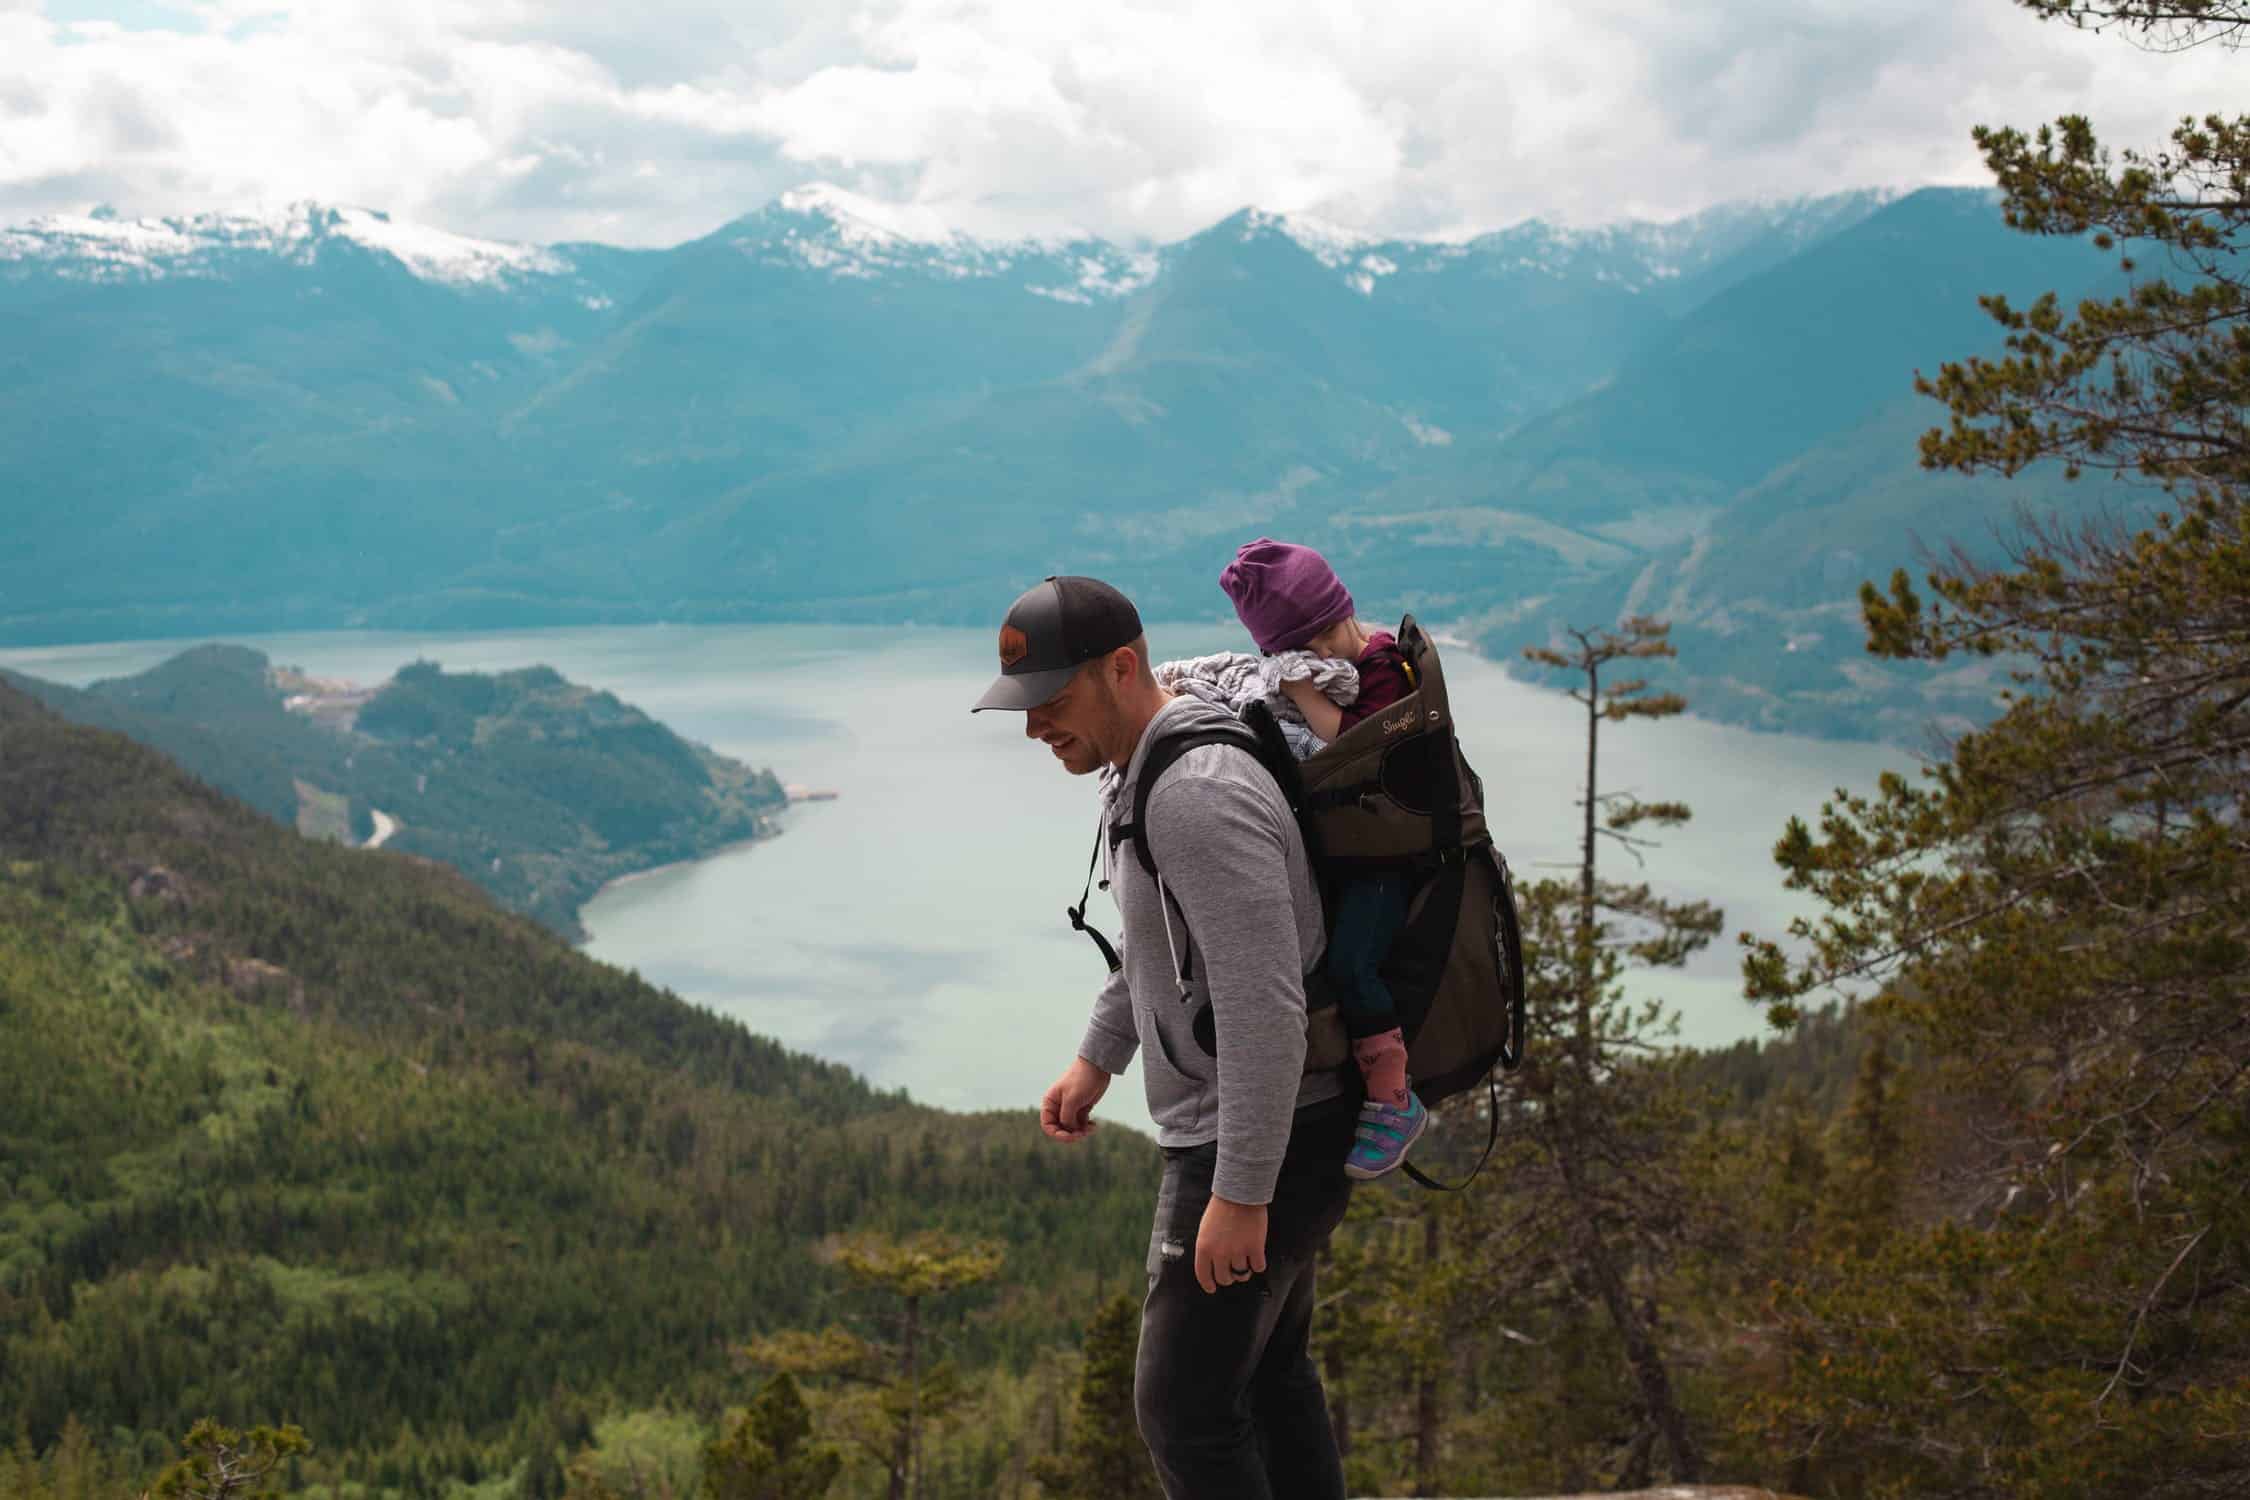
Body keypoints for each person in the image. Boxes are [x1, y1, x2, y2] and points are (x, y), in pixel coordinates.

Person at [971, 573, 1356, 1500]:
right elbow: (1164, 947)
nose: (1033, 726)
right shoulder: (1147, 765)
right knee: (1268, 1378)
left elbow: (1265, 1007)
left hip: (1258, 1135)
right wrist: (1098, 1056)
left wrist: (1243, 1191)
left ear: (1120, 668)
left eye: (1050, 699)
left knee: (1183, 1409)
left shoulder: (1194, 793)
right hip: (1278, 1122)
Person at [1219, 538, 1426, 1179]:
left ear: (1332, 621)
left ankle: (1394, 1099)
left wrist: (1303, 692)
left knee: (1353, 964)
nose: (1309, 661)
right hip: (1363, 845)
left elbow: (1355, 744)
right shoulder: (1358, 657)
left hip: (1389, 856)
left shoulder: (1384, 665)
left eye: (1310, 648)